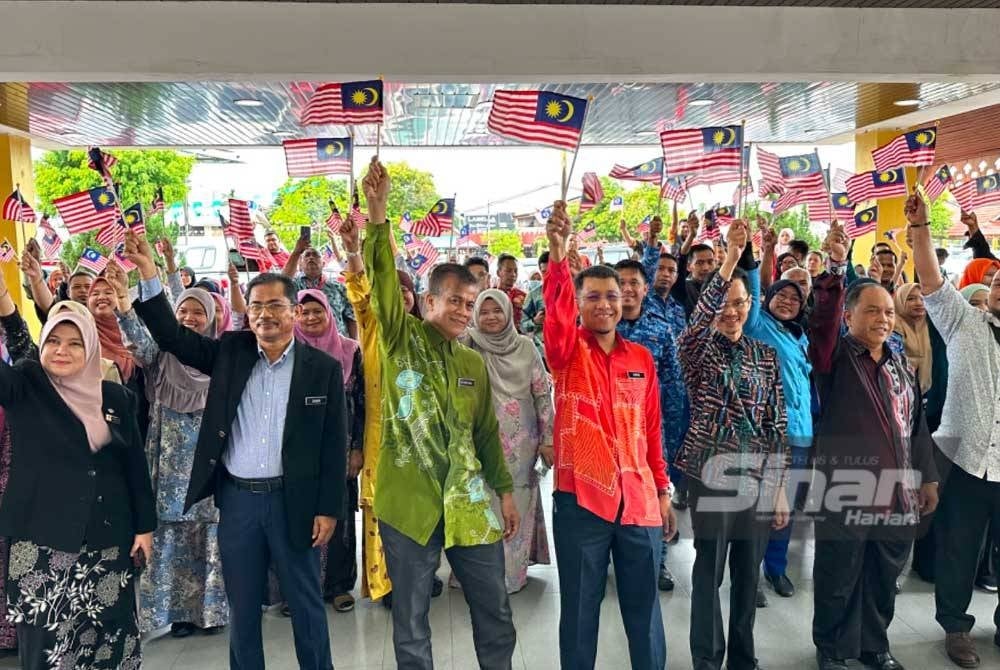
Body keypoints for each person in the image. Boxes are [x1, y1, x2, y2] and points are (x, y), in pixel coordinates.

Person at [125, 231, 348, 670]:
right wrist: (150, 274)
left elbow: (333, 443)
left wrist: (328, 508)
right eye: (257, 305)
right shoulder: (231, 352)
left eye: (276, 305)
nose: (265, 314)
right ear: (248, 311)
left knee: (305, 605)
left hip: (294, 502)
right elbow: (172, 336)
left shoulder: (321, 369)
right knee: (243, 610)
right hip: (240, 502)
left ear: (294, 312)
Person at [361, 159, 518, 670]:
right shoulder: (401, 338)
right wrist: (378, 214)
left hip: (470, 503)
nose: (463, 309)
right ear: (428, 301)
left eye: (470, 302)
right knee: (410, 622)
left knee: (494, 611)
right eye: (454, 299)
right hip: (410, 503)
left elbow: (487, 434)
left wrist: (508, 492)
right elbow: (383, 283)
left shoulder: (473, 360)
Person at [543, 200, 676, 670]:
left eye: (611, 295)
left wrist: (662, 490)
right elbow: (556, 320)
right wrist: (559, 256)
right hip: (581, 502)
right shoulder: (565, 352)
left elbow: (653, 431)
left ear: (625, 301)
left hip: (638, 500)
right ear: (579, 304)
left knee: (645, 613)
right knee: (580, 612)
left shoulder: (640, 357)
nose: (604, 304)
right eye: (593, 296)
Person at [0, 303, 155, 670]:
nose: (61, 351)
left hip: (107, 542)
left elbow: (134, 467)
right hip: (43, 544)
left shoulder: (115, 398)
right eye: (53, 340)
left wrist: (145, 527)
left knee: (107, 645)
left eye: (74, 343)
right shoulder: (26, 388)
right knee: (47, 647)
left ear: (91, 348)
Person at [810, 280, 939, 670]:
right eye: (871, 310)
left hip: (897, 493)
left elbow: (914, 426)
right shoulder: (834, 358)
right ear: (848, 316)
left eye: (887, 311)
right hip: (845, 492)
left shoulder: (899, 363)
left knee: (883, 577)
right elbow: (822, 324)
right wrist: (834, 270)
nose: (882, 318)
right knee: (839, 574)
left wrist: (928, 477)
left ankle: (874, 646)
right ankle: (831, 647)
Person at [678, 219, 789, 670]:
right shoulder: (695, 349)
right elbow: (703, 314)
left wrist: (780, 485)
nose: (731, 312)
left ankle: (744, 658)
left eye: (739, 304)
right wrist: (730, 256)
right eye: (724, 304)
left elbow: (776, 422)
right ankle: (707, 659)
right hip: (711, 474)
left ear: (749, 305)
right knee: (709, 572)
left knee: (747, 576)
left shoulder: (765, 355)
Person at [103, 261, 229, 639]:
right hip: (171, 461)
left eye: (198, 311)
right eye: (184, 311)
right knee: (172, 535)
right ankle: (177, 615)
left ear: (211, 318)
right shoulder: (161, 356)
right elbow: (136, 342)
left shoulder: (221, 356)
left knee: (210, 537)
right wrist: (125, 303)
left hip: (210, 465)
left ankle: (211, 613)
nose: (190, 317)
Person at [906, 193, 1000, 669]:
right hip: (965, 462)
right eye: (998, 281)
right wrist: (922, 230)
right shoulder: (964, 321)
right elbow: (931, 280)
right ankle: (956, 628)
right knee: (959, 551)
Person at [340, 222, 426, 610]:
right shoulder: (371, 327)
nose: (402, 296)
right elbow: (359, 291)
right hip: (379, 436)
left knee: (417, 507)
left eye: (406, 290)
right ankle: (385, 583)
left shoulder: (428, 333)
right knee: (380, 509)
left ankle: (417, 578)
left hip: (420, 439)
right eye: (396, 290)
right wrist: (354, 251)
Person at [614, 213, 689, 592]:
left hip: (650, 434)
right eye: (620, 284)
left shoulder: (661, 330)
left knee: (654, 498)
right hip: (609, 434)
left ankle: (657, 561)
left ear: (646, 289)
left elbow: (674, 385)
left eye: (634, 284)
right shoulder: (598, 331)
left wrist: (673, 436)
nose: (627, 290)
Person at [466, 289, 554, 593]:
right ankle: (475, 575)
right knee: (479, 503)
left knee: (516, 504)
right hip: (477, 441)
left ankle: (511, 576)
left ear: (508, 314)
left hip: (521, 444)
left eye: (497, 311)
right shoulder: (467, 343)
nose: (491, 317)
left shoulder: (526, 347)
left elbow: (542, 393)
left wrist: (548, 438)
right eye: (485, 311)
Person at [293, 288, 365, 612]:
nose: (310, 317)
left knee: (341, 516)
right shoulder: (287, 351)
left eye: (317, 311)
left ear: (329, 313)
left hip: (341, 448)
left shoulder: (350, 350)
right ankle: (300, 589)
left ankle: (338, 585)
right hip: (299, 451)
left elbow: (362, 402)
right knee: (297, 517)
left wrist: (357, 448)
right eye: (304, 312)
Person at [283, 239, 358, 339]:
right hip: (303, 344)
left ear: (323, 264)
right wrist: (297, 252)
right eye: (307, 255)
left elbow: (351, 317)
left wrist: (354, 345)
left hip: (336, 343)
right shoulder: (293, 286)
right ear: (300, 265)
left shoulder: (338, 287)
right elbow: (282, 282)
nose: (311, 258)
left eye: (315, 255)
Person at [520, 251, 549, 355]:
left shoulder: (571, 293)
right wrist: (535, 321)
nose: (548, 275)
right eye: (544, 272)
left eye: (552, 271)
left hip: (569, 348)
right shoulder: (534, 295)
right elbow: (522, 325)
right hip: (542, 351)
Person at [496, 253, 526, 332]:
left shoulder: (523, 296)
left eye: (515, 271)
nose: (513, 274)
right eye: (508, 271)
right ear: (498, 273)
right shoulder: (490, 295)